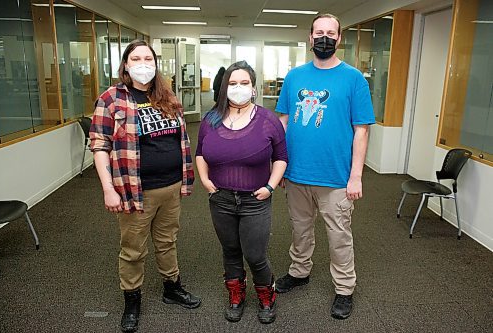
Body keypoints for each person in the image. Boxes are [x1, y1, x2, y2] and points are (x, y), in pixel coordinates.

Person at [89, 40, 201, 333]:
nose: (142, 64)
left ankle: (172, 287)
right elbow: (99, 146)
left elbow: (179, 139)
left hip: (171, 186)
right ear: (125, 65)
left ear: (155, 63)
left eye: (147, 58)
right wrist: (107, 188)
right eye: (135, 58)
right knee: (133, 250)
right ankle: (132, 299)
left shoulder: (167, 96)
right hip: (134, 190)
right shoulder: (111, 99)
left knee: (167, 241)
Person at [274, 13, 375, 320]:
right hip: (297, 174)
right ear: (310, 37)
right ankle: (299, 271)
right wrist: (279, 166)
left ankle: (344, 289)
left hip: (336, 177)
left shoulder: (354, 79)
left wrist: (356, 176)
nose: (324, 38)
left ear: (339, 39)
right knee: (300, 230)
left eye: (331, 33)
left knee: (338, 236)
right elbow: (283, 120)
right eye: (319, 32)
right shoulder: (294, 77)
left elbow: (362, 129)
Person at [195, 61, 287, 324]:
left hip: (255, 199)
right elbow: (200, 153)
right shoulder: (211, 119)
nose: (238, 88)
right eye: (232, 84)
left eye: (244, 83)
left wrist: (270, 186)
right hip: (221, 198)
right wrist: (204, 179)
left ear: (253, 88)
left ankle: (266, 296)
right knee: (231, 250)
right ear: (224, 89)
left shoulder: (267, 120)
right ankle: (236, 296)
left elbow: (281, 157)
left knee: (256, 254)